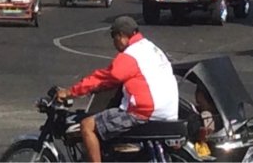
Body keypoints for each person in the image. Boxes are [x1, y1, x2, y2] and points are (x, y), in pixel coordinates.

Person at [57, 16, 178, 163]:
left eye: (113, 37)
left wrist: (71, 92)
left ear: (120, 36)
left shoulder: (131, 55)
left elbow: (105, 79)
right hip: (168, 110)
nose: (113, 43)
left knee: (87, 126)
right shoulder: (150, 47)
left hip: (143, 111)